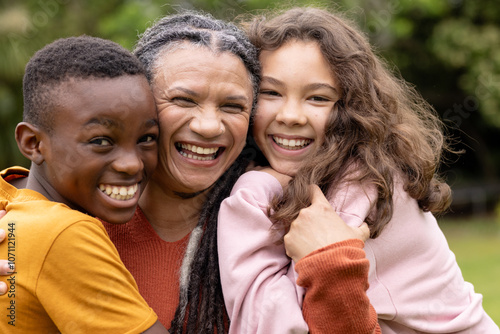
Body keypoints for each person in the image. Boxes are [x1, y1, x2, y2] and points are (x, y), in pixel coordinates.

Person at [0, 12, 375, 333]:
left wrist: (332, 267)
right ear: (136, 101)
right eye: (183, 99)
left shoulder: (298, 221)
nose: (210, 126)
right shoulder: (64, 217)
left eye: (233, 105)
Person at [218, 6, 500, 334]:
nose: (291, 115)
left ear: (353, 108)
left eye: (318, 98)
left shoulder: (363, 181)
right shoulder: (319, 172)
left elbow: (280, 325)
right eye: (271, 92)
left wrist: (255, 187)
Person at [0, 36, 169, 332]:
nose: (132, 164)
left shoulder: (11, 198)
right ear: (33, 143)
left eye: (146, 139)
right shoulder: (62, 233)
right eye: (101, 141)